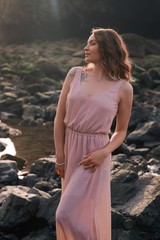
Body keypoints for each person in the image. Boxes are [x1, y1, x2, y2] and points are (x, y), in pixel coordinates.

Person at [54, 27, 133, 240]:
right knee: (79, 216)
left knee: (66, 215)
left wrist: (104, 152)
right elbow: (59, 117)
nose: (85, 47)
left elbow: (121, 130)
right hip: (71, 148)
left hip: (95, 154)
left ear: (107, 48)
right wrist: (60, 156)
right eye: (87, 42)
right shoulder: (75, 74)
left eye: (92, 43)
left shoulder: (123, 88)